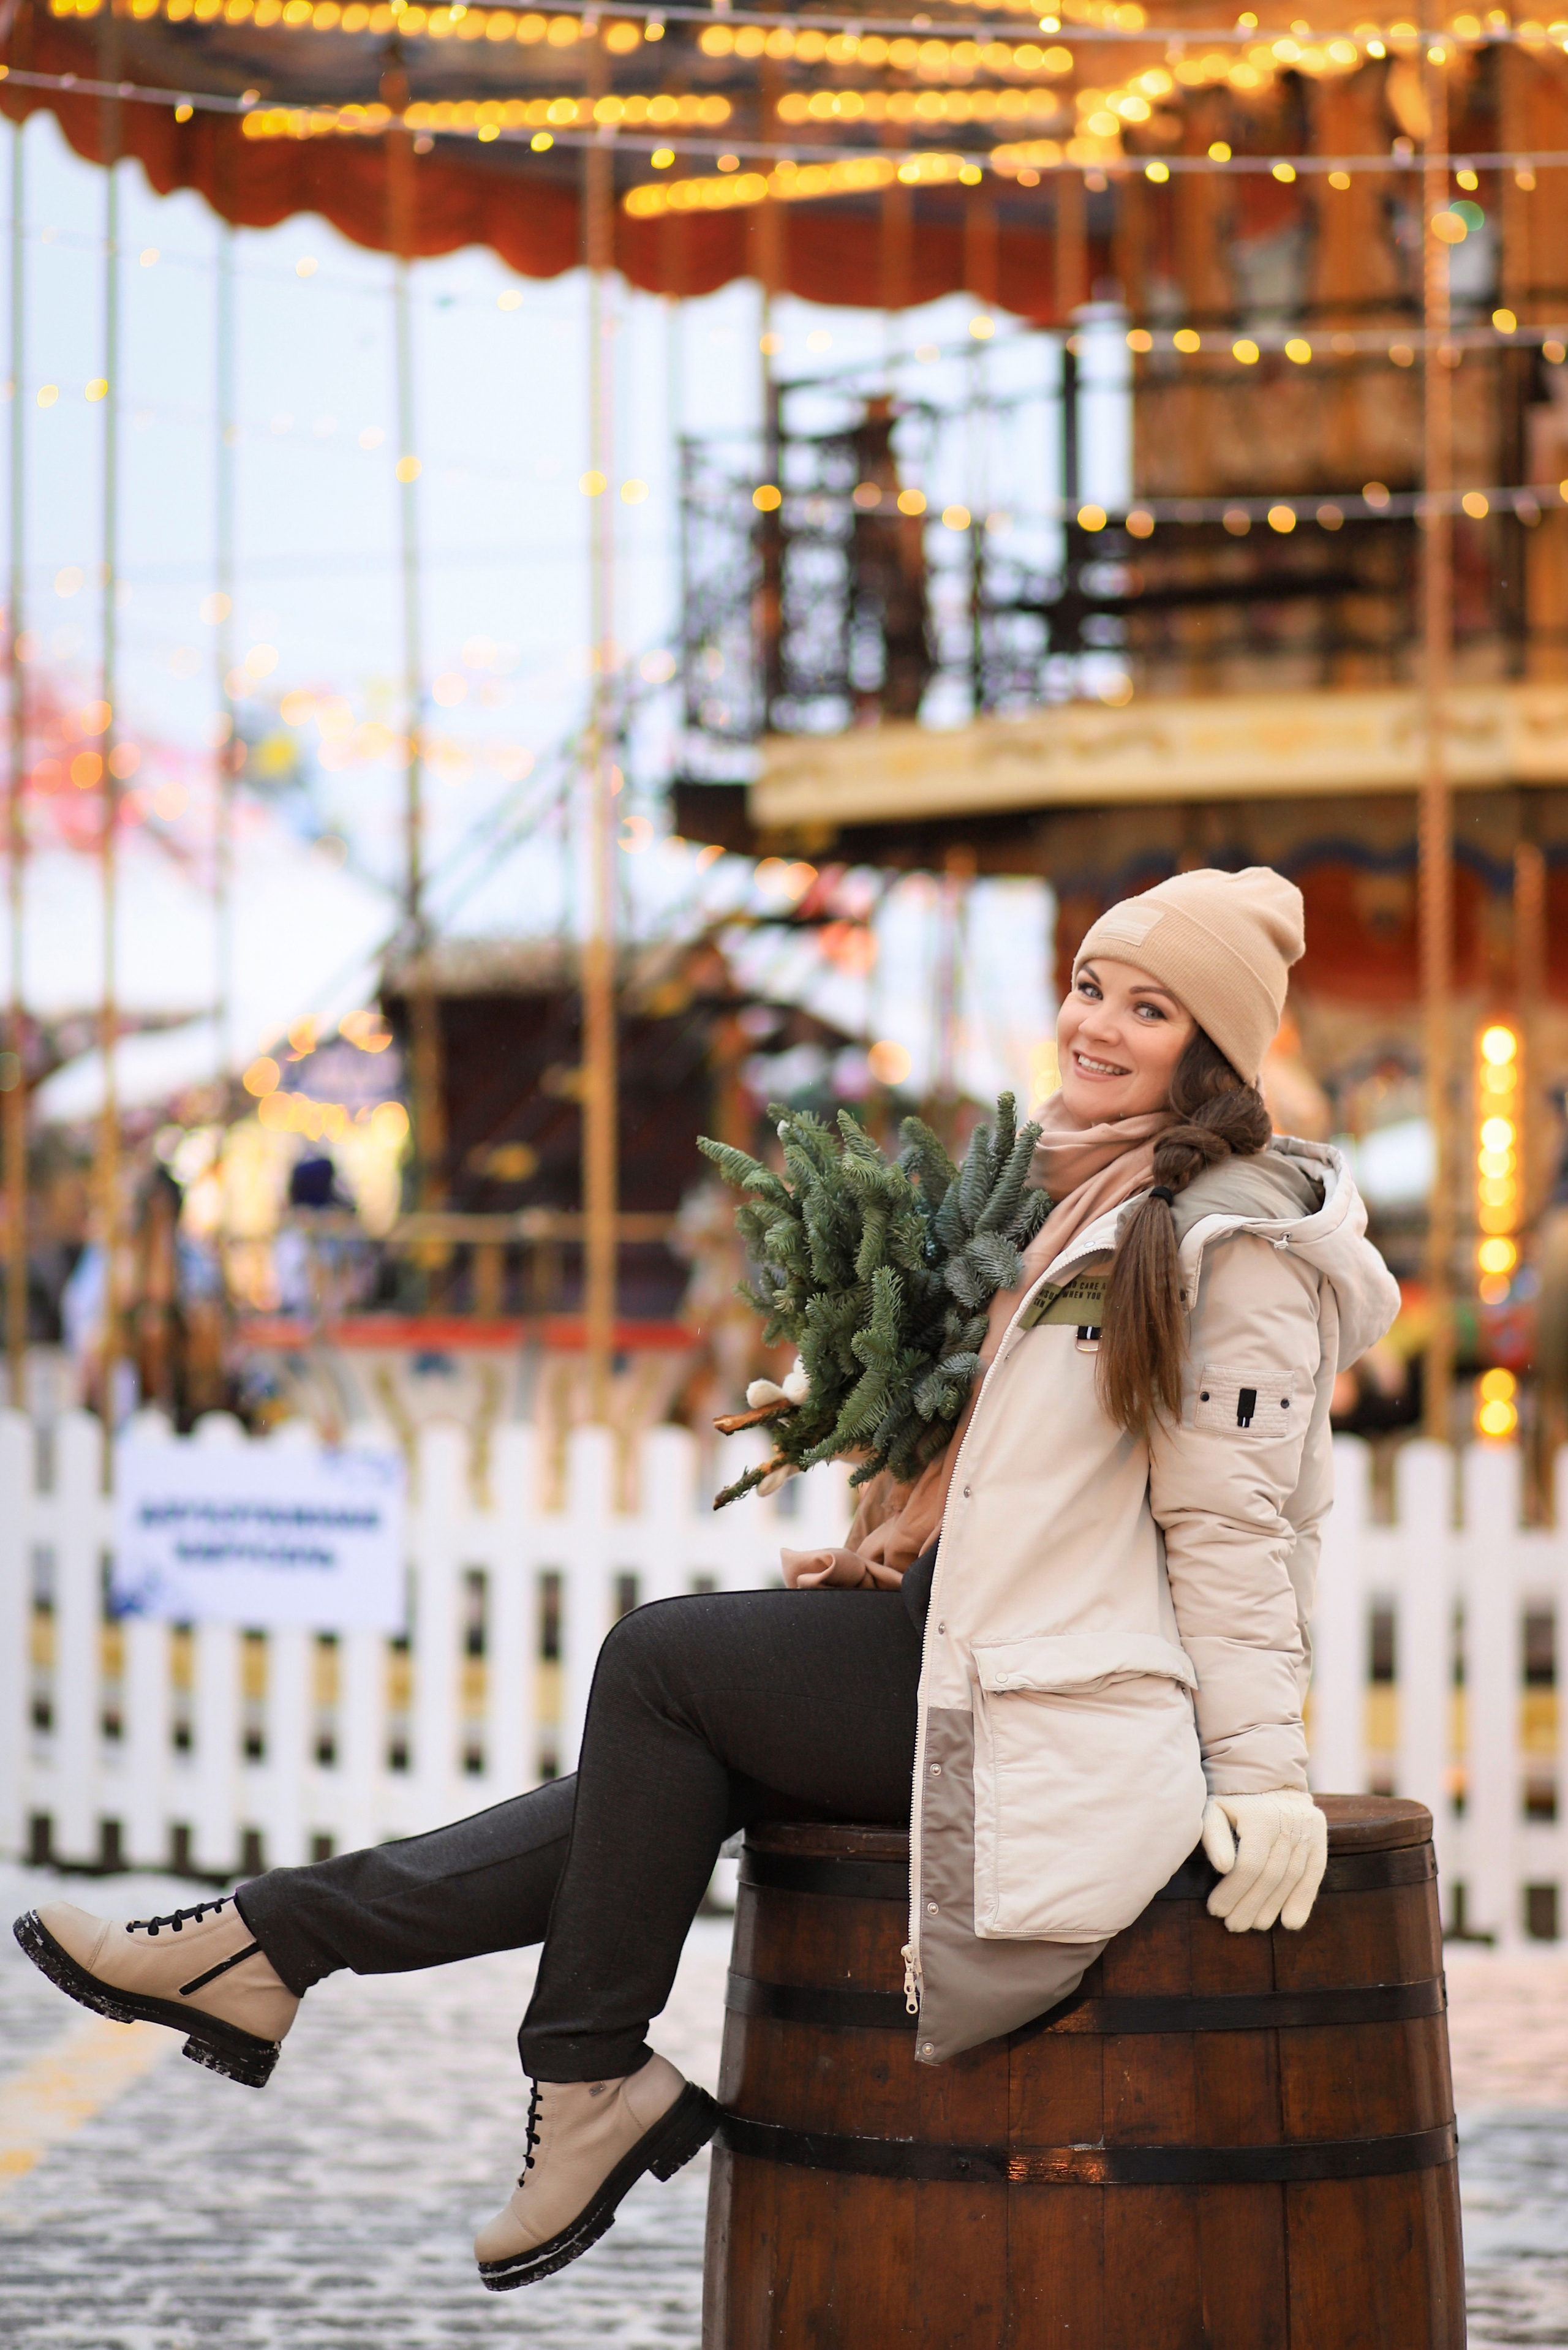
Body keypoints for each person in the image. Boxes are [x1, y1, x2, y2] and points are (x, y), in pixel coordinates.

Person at [14, 866, 1400, 2295]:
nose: (1094, 1024)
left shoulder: (1228, 1248)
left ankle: (563, 2066)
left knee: (662, 1666)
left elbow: (1229, 1526)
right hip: (979, 1639)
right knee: (657, 1766)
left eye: (1148, 1006)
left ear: (1213, 1050)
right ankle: (273, 1946)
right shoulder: (1078, 1193)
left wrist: (1258, 1769)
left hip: (1065, 1695)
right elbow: (1027, 1471)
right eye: (1090, 986)